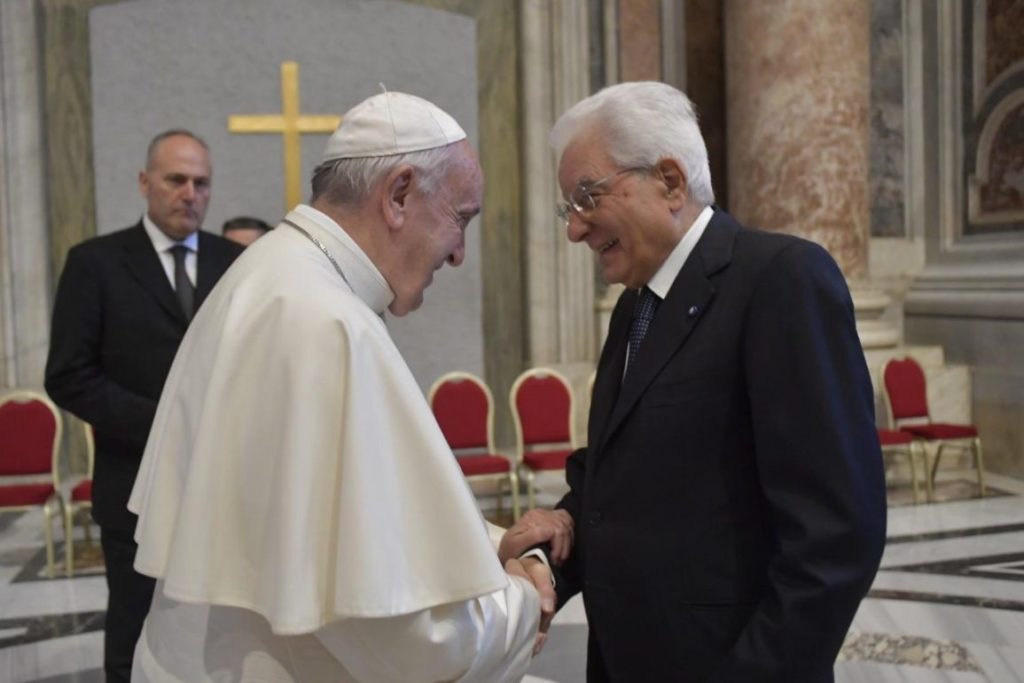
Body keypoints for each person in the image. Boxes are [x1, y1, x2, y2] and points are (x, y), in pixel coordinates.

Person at [126, 91, 553, 682]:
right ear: (398, 194)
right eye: (461, 218)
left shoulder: (273, 273)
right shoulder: (324, 322)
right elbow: (410, 640)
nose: (458, 253)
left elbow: (349, 514)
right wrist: (524, 596)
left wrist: (492, 544)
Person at [499, 81, 887, 682]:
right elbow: (624, 479)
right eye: (568, 207)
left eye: (586, 197)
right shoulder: (636, 306)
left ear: (671, 181)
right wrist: (557, 545)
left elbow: (836, 537)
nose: (575, 229)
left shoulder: (780, 280)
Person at [45, 130, 244, 682]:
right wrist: (164, 425)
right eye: (176, 180)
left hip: (221, 485)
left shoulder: (237, 262)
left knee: (222, 630)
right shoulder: (96, 263)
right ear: (144, 183)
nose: (190, 194)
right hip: (134, 483)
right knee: (134, 628)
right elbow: (68, 375)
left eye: (201, 183)